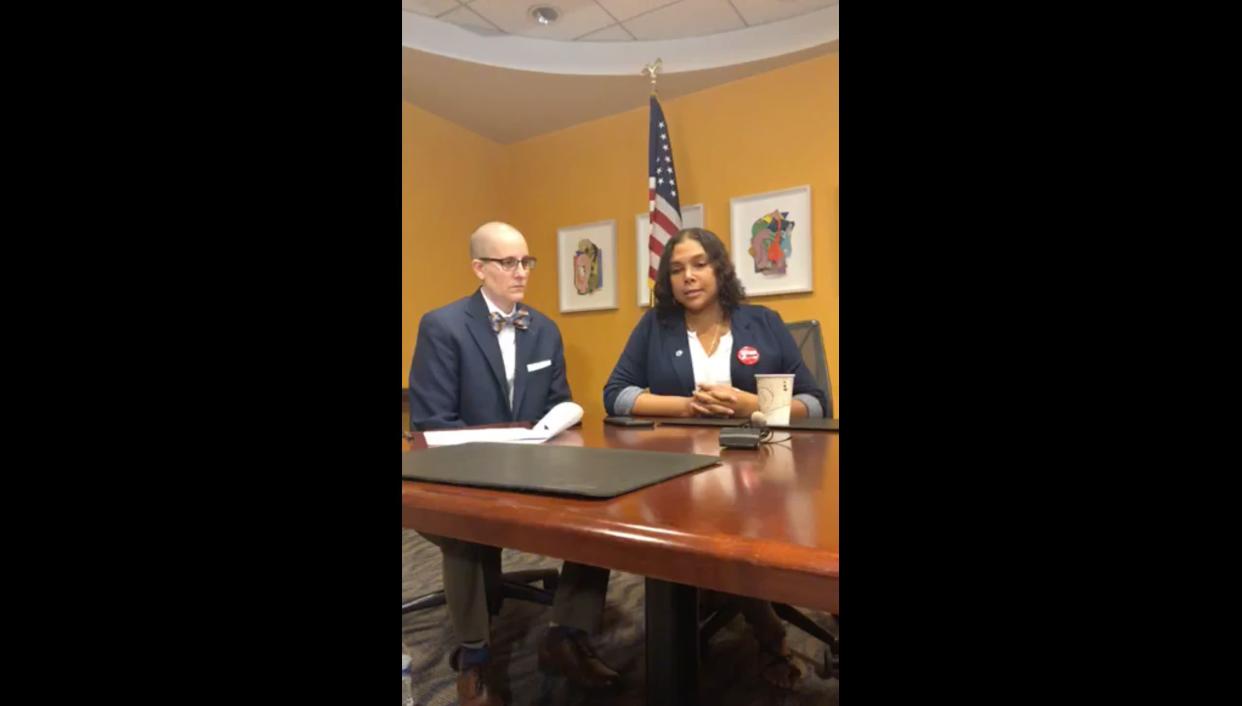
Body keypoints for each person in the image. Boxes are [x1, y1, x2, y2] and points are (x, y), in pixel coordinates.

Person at [603, 227, 831, 688]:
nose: (688, 277)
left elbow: (817, 403)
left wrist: (752, 406)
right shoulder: (655, 327)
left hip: (763, 471)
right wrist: (686, 406)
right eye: (676, 269)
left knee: (742, 531)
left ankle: (760, 625)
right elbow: (616, 396)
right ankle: (751, 624)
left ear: (719, 269)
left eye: (699, 264)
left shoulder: (762, 321)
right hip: (680, 472)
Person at [409, 222, 618, 706]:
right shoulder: (442, 326)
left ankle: (566, 635)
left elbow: (560, 406)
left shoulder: (544, 329)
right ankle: (475, 658)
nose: (521, 272)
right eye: (508, 263)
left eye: (526, 262)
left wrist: (557, 431)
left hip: (531, 474)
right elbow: (433, 423)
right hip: (459, 479)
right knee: (465, 533)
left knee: (600, 517)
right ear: (479, 268)